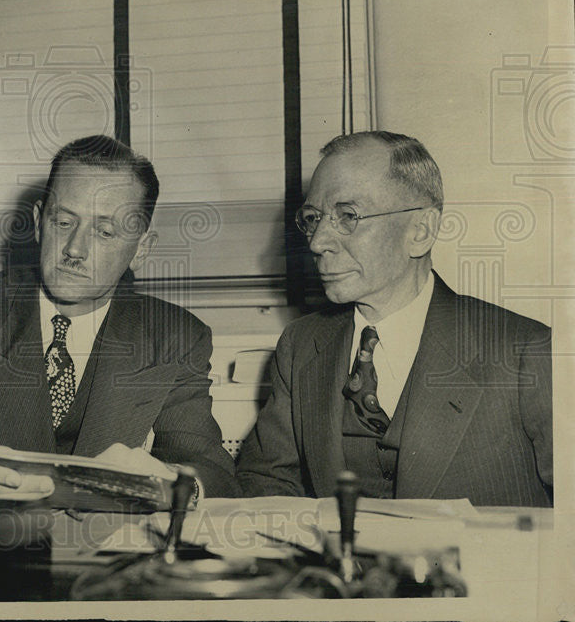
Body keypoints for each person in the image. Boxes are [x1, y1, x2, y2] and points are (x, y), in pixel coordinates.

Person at [0, 135, 237, 510]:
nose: (75, 249)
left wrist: (168, 483)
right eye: (63, 221)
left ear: (142, 248)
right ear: (40, 222)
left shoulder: (175, 336)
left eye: (105, 232)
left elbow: (211, 469)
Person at [235, 131, 553, 506]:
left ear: (420, 231)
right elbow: (264, 479)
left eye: (348, 216)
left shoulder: (525, 351)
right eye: (312, 218)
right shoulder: (300, 344)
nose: (317, 241)